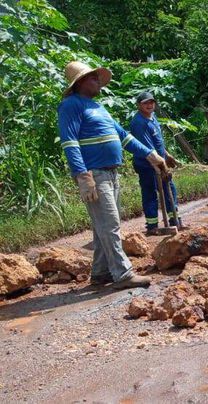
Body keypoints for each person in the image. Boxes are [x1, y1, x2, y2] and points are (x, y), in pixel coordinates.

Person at [58, 61, 168, 289]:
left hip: (111, 173)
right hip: (94, 174)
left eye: (98, 77)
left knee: (103, 227)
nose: (98, 81)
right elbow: (70, 143)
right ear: (79, 82)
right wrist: (82, 176)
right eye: (93, 77)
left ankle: (100, 273)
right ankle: (123, 274)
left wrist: (151, 155)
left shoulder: (98, 107)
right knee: (110, 225)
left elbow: (124, 137)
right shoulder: (71, 105)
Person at [129, 91, 183, 235]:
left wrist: (167, 155)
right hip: (147, 164)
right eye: (145, 103)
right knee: (150, 193)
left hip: (158, 160)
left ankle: (174, 221)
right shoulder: (139, 123)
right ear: (139, 105)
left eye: (151, 102)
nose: (149, 105)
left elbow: (157, 142)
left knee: (169, 189)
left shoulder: (152, 118)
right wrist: (161, 166)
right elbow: (147, 149)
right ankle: (152, 227)